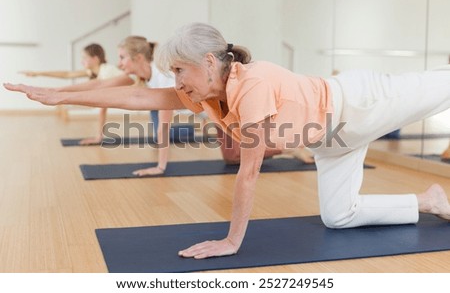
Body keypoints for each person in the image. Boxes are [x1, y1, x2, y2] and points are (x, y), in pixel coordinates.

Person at [5, 22, 450, 260]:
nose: (176, 81)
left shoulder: (251, 85)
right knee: (339, 216)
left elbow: (249, 171)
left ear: (210, 61)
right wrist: (63, 94)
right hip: (332, 141)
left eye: (180, 70)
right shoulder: (209, 91)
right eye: (173, 73)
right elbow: (140, 94)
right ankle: (429, 200)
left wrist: (233, 240)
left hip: (361, 104)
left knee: (441, 84)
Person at [20, 43, 124, 145]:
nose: (81, 61)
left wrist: (99, 137)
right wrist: (38, 73)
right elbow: (67, 74)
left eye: (85, 58)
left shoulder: (107, 72)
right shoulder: (94, 71)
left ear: (95, 59)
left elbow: (103, 107)